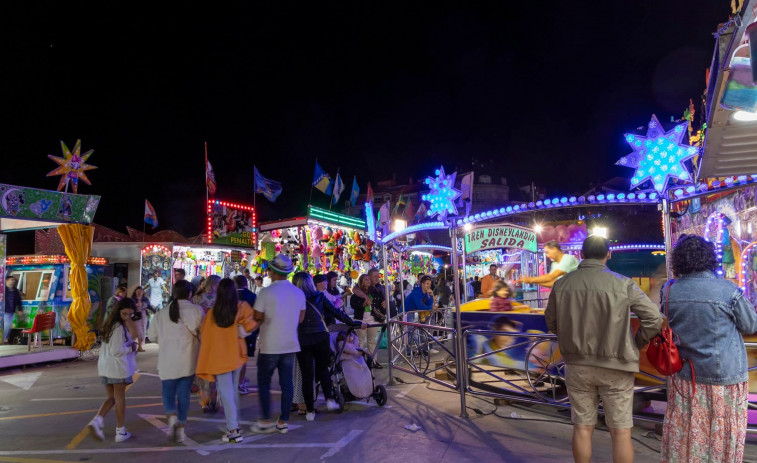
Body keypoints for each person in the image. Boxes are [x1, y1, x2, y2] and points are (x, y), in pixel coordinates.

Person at [545, 236, 662, 463]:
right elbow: (653, 318)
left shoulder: (562, 284)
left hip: (577, 365)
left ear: (581, 254)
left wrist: (571, 337)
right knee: (620, 431)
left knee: (582, 426)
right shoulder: (623, 284)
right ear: (608, 254)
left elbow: (551, 322)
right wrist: (635, 343)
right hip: (616, 366)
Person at [660, 235, 757, 462]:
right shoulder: (727, 290)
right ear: (709, 258)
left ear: (679, 261)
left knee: (687, 433)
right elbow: (751, 324)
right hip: (723, 377)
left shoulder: (670, 290)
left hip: (685, 375)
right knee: (721, 435)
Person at [293, 272, 363, 421]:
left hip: (302, 339)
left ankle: (310, 411)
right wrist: (354, 323)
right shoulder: (319, 296)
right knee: (323, 369)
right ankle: (330, 400)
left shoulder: (294, 299)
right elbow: (337, 312)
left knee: (307, 375)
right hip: (321, 336)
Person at [195, 278, 257, 443]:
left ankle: (233, 429)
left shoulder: (212, 314)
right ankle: (234, 423)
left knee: (226, 393)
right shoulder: (241, 307)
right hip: (236, 356)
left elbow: (206, 338)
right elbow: (251, 325)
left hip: (220, 358)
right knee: (232, 392)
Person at [250, 255, 305, 434]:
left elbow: (257, 317)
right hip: (290, 344)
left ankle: (266, 419)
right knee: (286, 383)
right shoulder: (298, 293)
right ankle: (283, 421)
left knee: (264, 382)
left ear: (273, 272)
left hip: (269, 345)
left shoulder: (266, 292)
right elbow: (301, 318)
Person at [146, 280, 203, 443]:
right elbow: (202, 332)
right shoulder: (196, 310)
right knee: (184, 394)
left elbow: (152, 336)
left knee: (168, 392)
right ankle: (182, 430)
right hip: (188, 359)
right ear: (190, 293)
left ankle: (172, 417)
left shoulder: (161, 313)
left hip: (167, 360)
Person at [88, 298, 139, 443]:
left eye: (130, 314)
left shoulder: (111, 324)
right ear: (118, 311)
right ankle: (120, 431)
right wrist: (131, 348)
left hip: (106, 367)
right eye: (125, 314)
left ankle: (97, 420)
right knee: (120, 399)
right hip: (117, 368)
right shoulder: (118, 327)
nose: (128, 317)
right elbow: (117, 350)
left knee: (112, 398)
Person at [233, 275, 257, 395]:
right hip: (246, 332)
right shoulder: (251, 296)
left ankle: (234, 381)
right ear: (245, 283)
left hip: (229, 332)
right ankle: (240, 382)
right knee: (243, 358)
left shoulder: (227, 296)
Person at [350, 275, 381, 359]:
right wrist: (363, 304)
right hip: (360, 318)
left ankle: (373, 360)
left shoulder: (374, 292)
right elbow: (353, 305)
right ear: (361, 281)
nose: (368, 281)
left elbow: (378, 304)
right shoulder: (356, 294)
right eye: (366, 279)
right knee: (360, 340)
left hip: (372, 319)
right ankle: (358, 360)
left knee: (372, 341)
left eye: (369, 279)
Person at [130, 287, 151, 352]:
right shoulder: (132, 299)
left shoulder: (145, 299)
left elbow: (149, 306)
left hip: (143, 316)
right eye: (138, 291)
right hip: (136, 316)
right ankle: (132, 346)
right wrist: (135, 305)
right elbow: (129, 306)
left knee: (142, 330)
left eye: (141, 291)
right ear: (135, 292)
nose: (139, 292)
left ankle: (140, 346)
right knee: (136, 330)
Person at [3, 276, 22, 344]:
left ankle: (4, 339)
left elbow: (19, 301)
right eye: (11, 280)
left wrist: (20, 309)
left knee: (8, 325)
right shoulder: (3, 290)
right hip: (4, 310)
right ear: (7, 281)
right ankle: (3, 339)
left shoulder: (15, 291)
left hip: (11, 311)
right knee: (7, 325)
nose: (13, 281)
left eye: (14, 280)